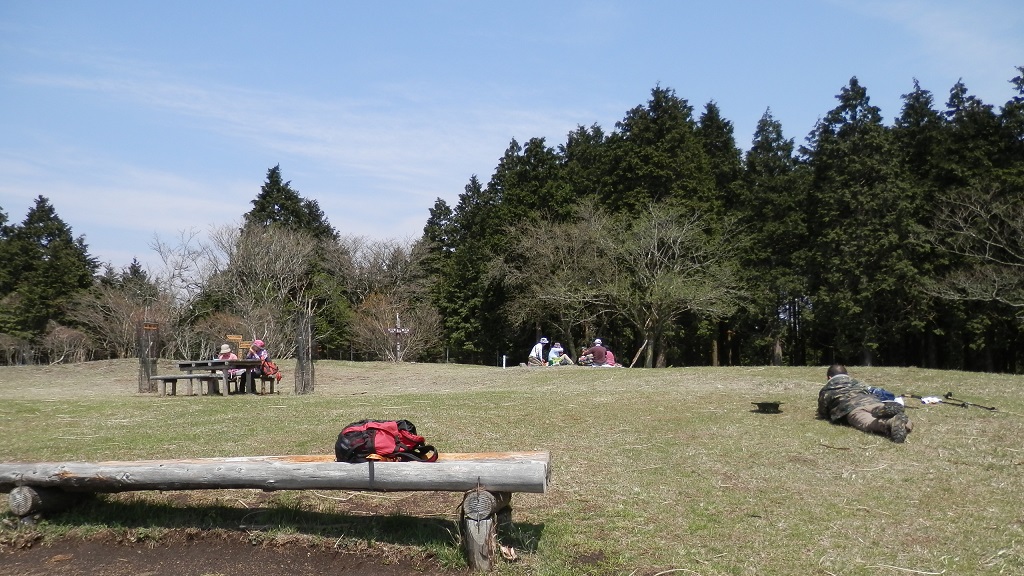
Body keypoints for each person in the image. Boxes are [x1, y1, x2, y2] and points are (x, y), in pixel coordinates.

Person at [817, 364, 912, 443]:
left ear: (829, 377)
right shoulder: (858, 383)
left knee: (868, 422)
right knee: (896, 415)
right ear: (847, 374)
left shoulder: (826, 389)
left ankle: (889, 423)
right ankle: (896, 418)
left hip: (852, 408)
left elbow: (823, 411)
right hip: (872, 401)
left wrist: (825, 415)